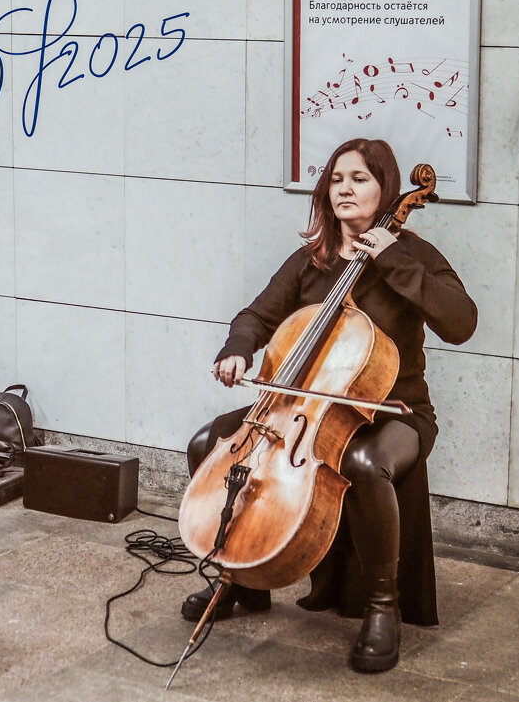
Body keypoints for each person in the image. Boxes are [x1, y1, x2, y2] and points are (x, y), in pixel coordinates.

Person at [182, 138, 476, 672]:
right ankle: (239, 578)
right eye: (337, 178)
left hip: (394, 412)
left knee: (364, 463)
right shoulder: (310, 261)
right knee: (208, 442)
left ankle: (382, 607)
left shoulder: (416, 258)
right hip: (298, 407)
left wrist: (392, 259)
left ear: (386, 189)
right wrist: (237, 350)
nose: (345, 187)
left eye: (360, 178)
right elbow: (255, 316)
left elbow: (462, 322)